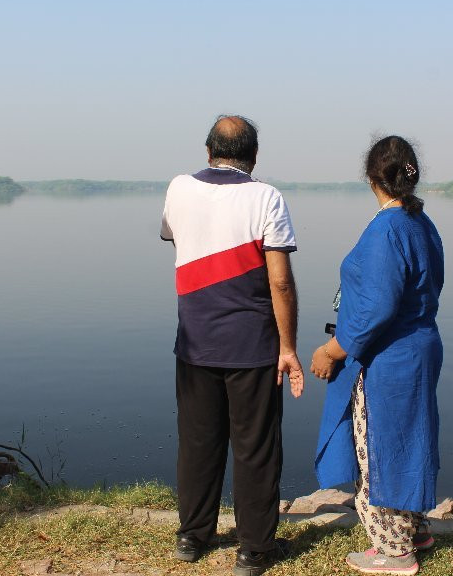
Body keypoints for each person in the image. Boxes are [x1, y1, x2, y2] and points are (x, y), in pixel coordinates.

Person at [160, 115, 304, 576]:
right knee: (255, 447)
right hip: (253, 346)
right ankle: (254, 549)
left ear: (207, 152)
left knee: (198, 443)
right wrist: (289, 348)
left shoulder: (178, 188)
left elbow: (173, 236)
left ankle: (192, 536)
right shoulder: (266, 197)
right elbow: (280, 282)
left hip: (195, 342)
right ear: (254, 155)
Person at [310, 136, 444, 576]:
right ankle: (415, 530)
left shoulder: (388, 227)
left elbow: (378, 306)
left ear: (372, 179)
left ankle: (394, 551)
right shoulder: (420, 221)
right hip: (418, 344)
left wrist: (333, 350)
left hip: (390, 355)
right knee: (410, 440)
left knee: (381, 446)